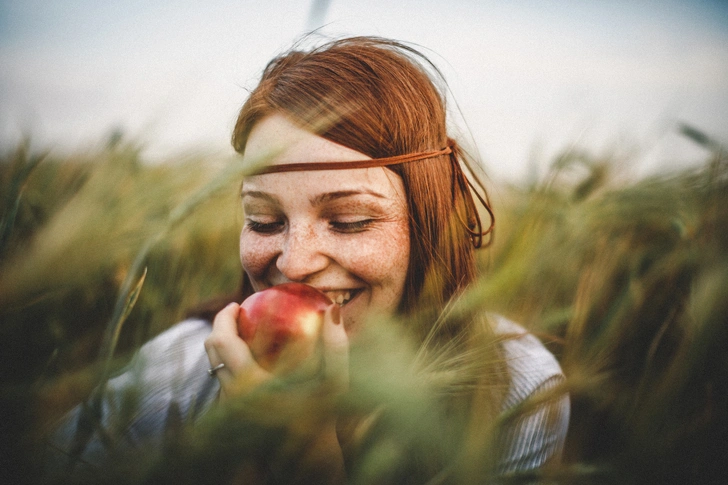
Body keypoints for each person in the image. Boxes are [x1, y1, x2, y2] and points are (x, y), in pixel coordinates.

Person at [46, 36, 569, 483]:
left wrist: (309, 464)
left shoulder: (511, 390)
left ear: (429, 223)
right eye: (264, 220)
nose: (294, 265)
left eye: (350, 221)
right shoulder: (175, 377)